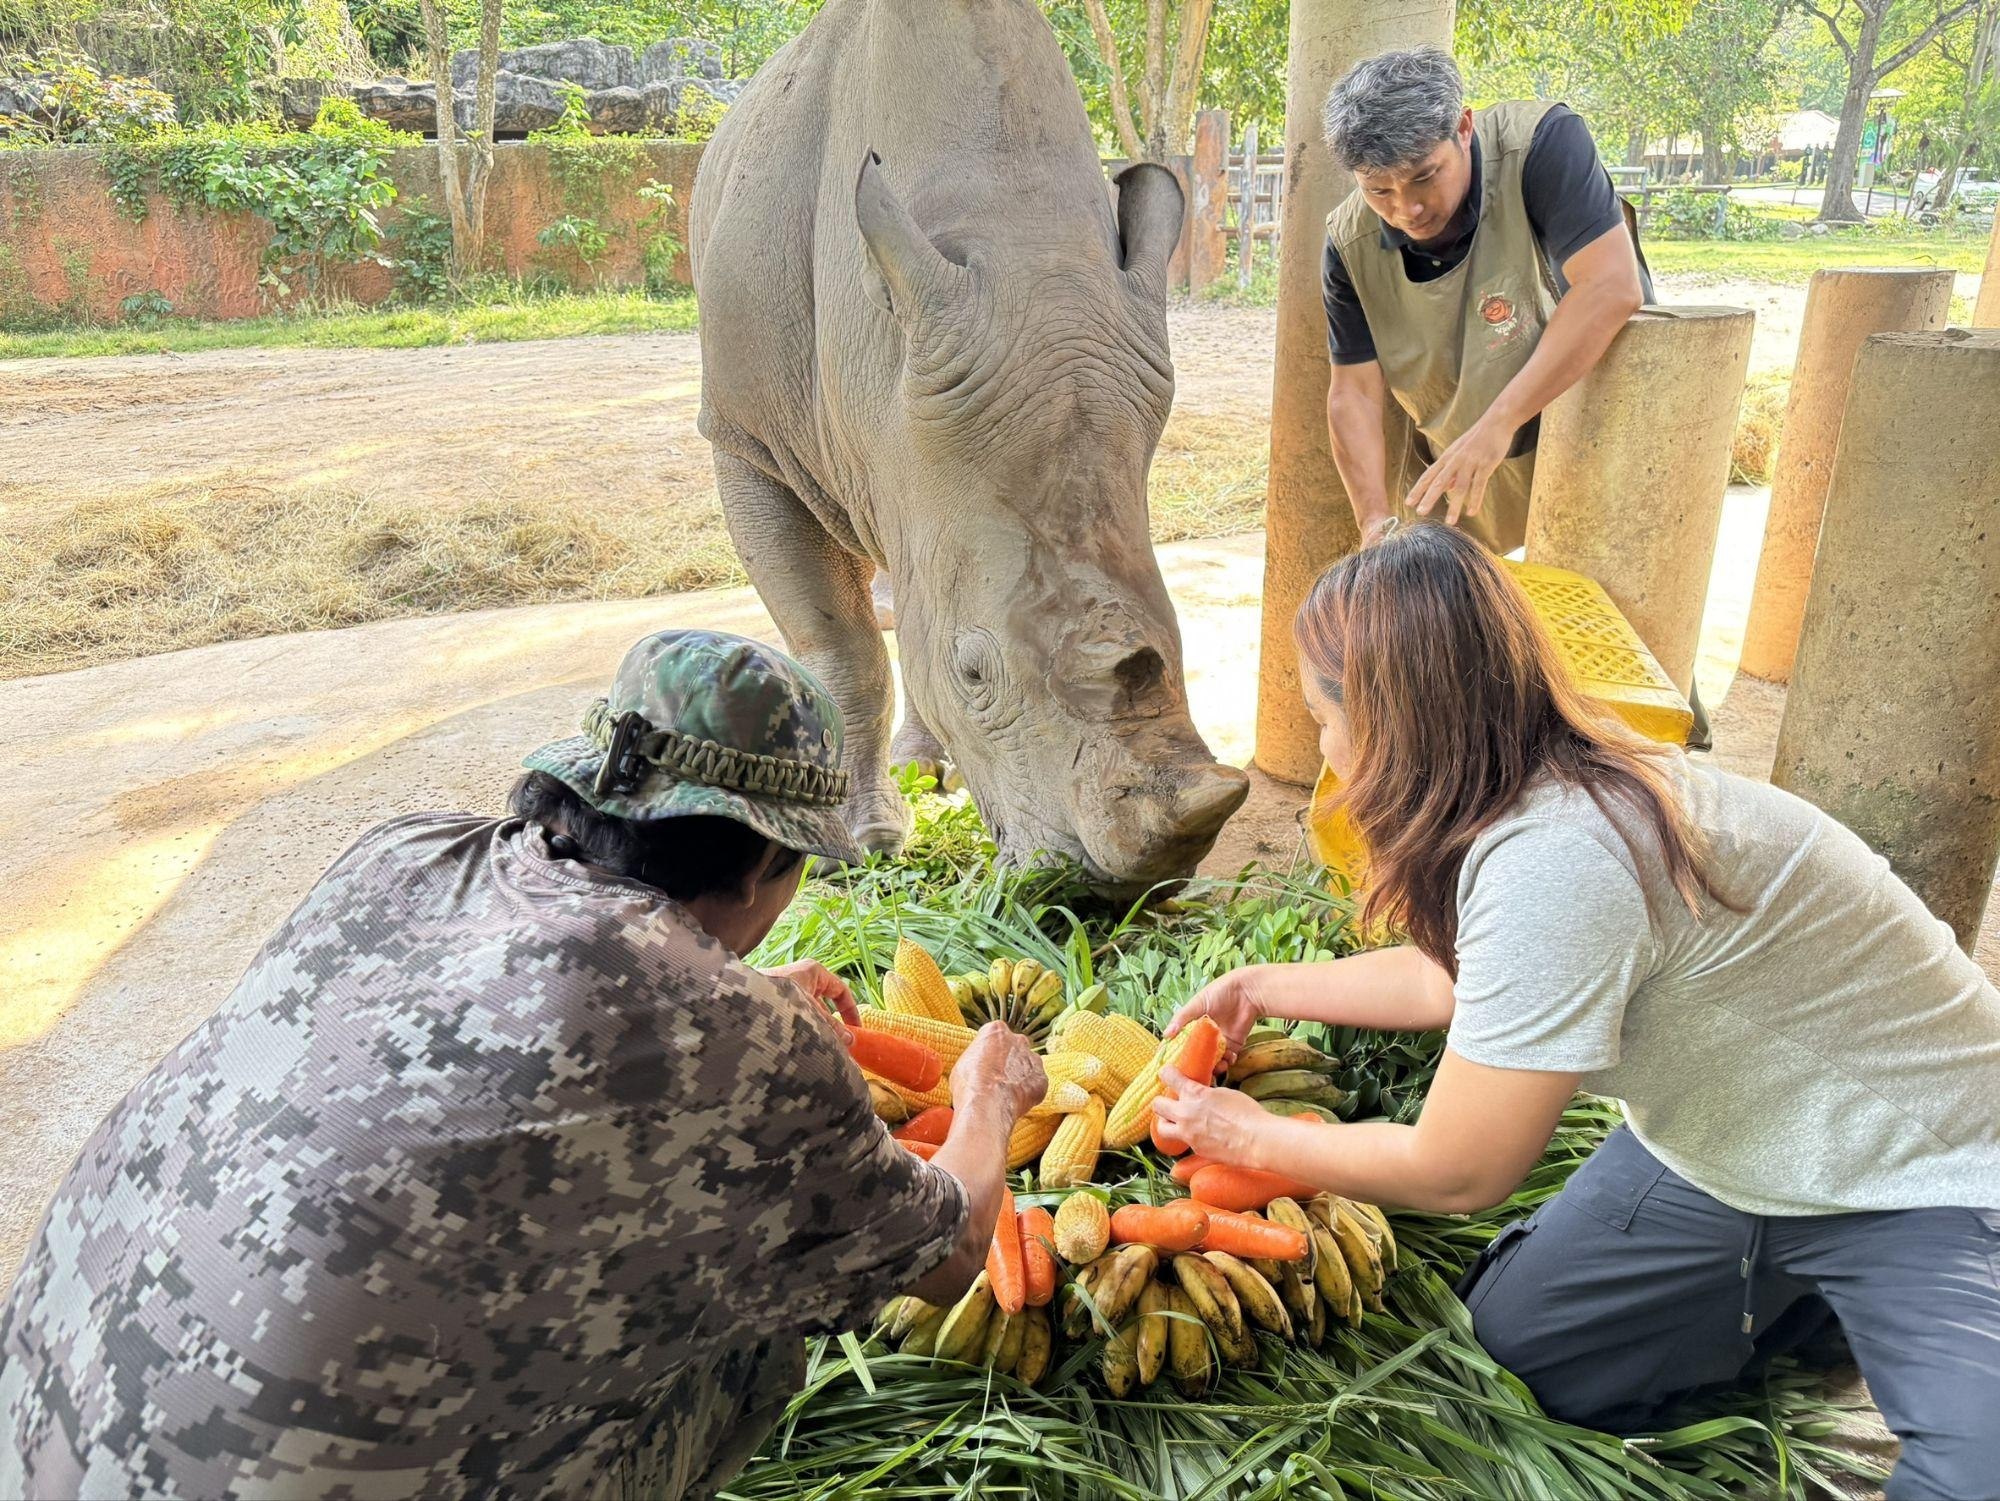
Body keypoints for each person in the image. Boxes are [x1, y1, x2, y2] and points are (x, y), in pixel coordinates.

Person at [0, 628, 1046, 1501]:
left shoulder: (408, 852)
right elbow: (944, 1251)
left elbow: (523, 1026)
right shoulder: (725, 1031)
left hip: (46, 1417)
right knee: (756, 1320)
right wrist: (984, 1096)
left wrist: (739, 1006)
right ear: (765, 863)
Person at [1151, 523, 2000, 1501]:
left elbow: (1462, 1167)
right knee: (1520, 1356)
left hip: (1917, 1167)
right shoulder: (1528, 789)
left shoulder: (1560, 856)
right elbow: (1458, 977)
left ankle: (1843, 1301)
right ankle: (1799, 1312)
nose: (1325, 748)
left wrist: (1242, 1133)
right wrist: (1261, 986)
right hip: (1720, 1154)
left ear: (1389, 724)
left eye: (1323, 719)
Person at [1319, 48, 1651, 552]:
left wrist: (1498, 422)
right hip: (1460, 465)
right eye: (1379, 191)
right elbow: (1354, 394)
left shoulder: (1542, 144)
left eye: (1425, 176)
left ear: (1465, 128)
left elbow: (1609, 286)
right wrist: (1373, 523)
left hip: (1594, 434)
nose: (1406, 209)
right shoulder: (1349, 243)